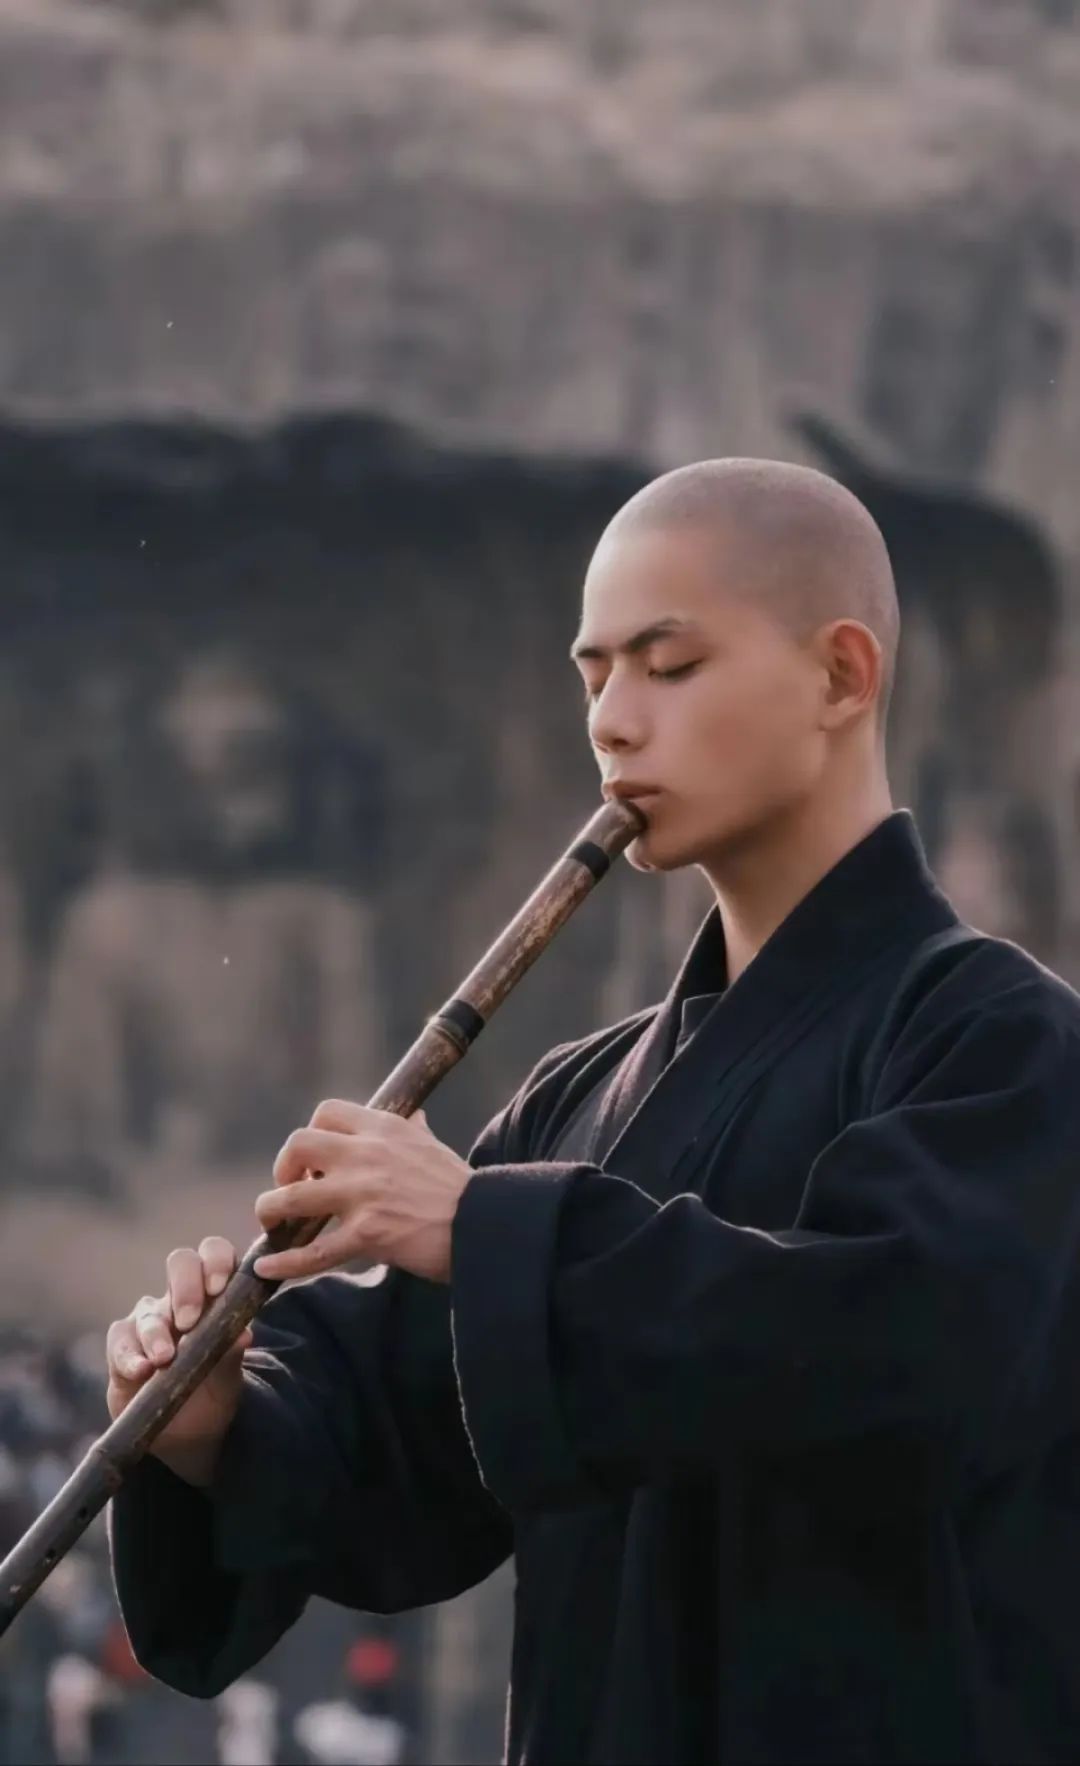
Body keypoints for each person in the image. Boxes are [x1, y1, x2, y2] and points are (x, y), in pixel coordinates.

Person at [105, 459, 1080, 1765]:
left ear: (841, 676)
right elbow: (403, 1446)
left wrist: (484, 1231)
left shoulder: (1001, 1041)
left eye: (668, 666)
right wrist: (219, 1420)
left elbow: (881, 1349)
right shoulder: (577, 1099)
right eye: (594, 678)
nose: (614, 724)